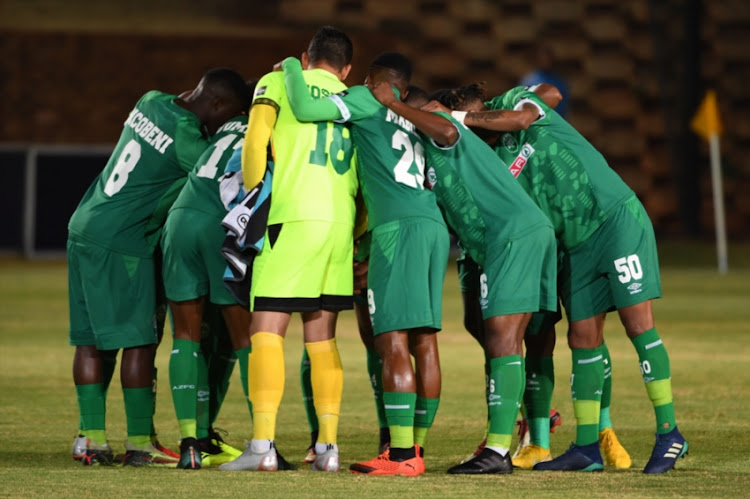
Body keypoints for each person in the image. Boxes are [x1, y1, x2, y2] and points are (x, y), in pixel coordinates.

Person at [435, 83, 687, 474]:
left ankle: (669, 433)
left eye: (477, 116)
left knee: (639, 326)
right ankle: (587, 447)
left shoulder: (516, 102)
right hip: (576, 245)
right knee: (582, 337)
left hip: (614, 218)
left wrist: (457, 118)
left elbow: (536, 104)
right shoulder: (491, 161)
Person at [67, 68, 252, 466]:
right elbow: (211, 172)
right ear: (218, 104)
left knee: (90, 340)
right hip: (125, 240)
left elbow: (183, 100)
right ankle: (139, 443)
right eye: (230, 114)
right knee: (140, 341)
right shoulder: (192, 142)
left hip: (84, 224)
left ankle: (90, 439)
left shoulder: (150, 99)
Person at [371, 82, 558, 475]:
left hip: (511, 235)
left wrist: (393, 105)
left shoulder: (439, 126)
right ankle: (507, 437)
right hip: (512, 237)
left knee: (503, 340)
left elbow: (449, 128)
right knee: (497, 338)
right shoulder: (431, 155)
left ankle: (498, 451)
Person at [282, 51, 449, 477]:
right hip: (432, 225)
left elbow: (305, 108)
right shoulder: (410, 113)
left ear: (373, 79)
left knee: (390, 341)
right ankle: (417, 448)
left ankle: (400, 456)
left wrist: (289, 67)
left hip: (395, 232)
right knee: (424, 342)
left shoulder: (365, 98)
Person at [218, 26, 358, 473]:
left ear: (305, 56)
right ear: (346, 69)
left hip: (291, 217)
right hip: (340, 222)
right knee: (323, 338)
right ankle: (328, 449)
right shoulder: (351, 99)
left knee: (266, 331)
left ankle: (262, 447)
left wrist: (255, 195)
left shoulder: (277, 80)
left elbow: (255, 142)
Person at [160, 79, 256, 469]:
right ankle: (263, 443)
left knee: (186, 335)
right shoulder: (269, 127)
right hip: (222, 225)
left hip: (180, 220)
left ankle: (190, 443)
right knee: (244, 337)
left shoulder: (223, 127)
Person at [519, 44, 570, 119]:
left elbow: (565, 105)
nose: (546, 61)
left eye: (548, 58)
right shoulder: (529, 81)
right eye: (543, 58)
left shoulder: (559, 82)